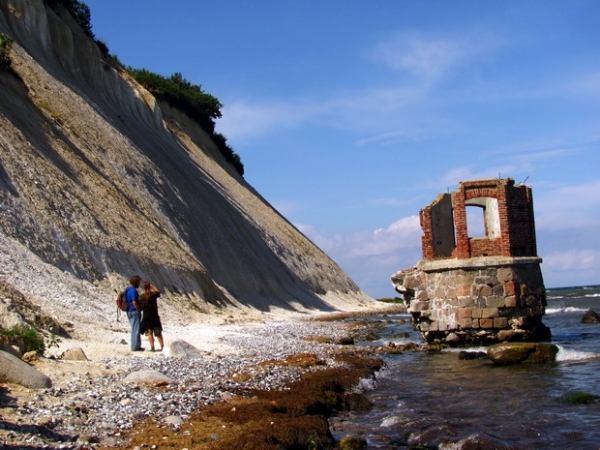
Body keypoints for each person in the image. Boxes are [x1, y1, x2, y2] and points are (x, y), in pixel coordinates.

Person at [139, 281, 164, 352]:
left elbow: (139, 306)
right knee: (158, 333)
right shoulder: (153, 295)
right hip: (154, 316)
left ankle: (152, 347)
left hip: (146, 316)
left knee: (149, 333)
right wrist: (152, 286)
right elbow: (157, 291)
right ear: (149, 287)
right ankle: (162, 346)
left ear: (143, 288)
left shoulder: (141, 297)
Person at [125, 275, 144, 352]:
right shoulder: (133, 290)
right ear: (135, 282)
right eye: (138, 282)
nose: (139, 284)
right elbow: (134, 301)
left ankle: (136, 346)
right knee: (136, 329)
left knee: (134, 328)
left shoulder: (127, 289)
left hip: (129, 311)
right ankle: (135, 347)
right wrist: (139, 309)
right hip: (134, 311)